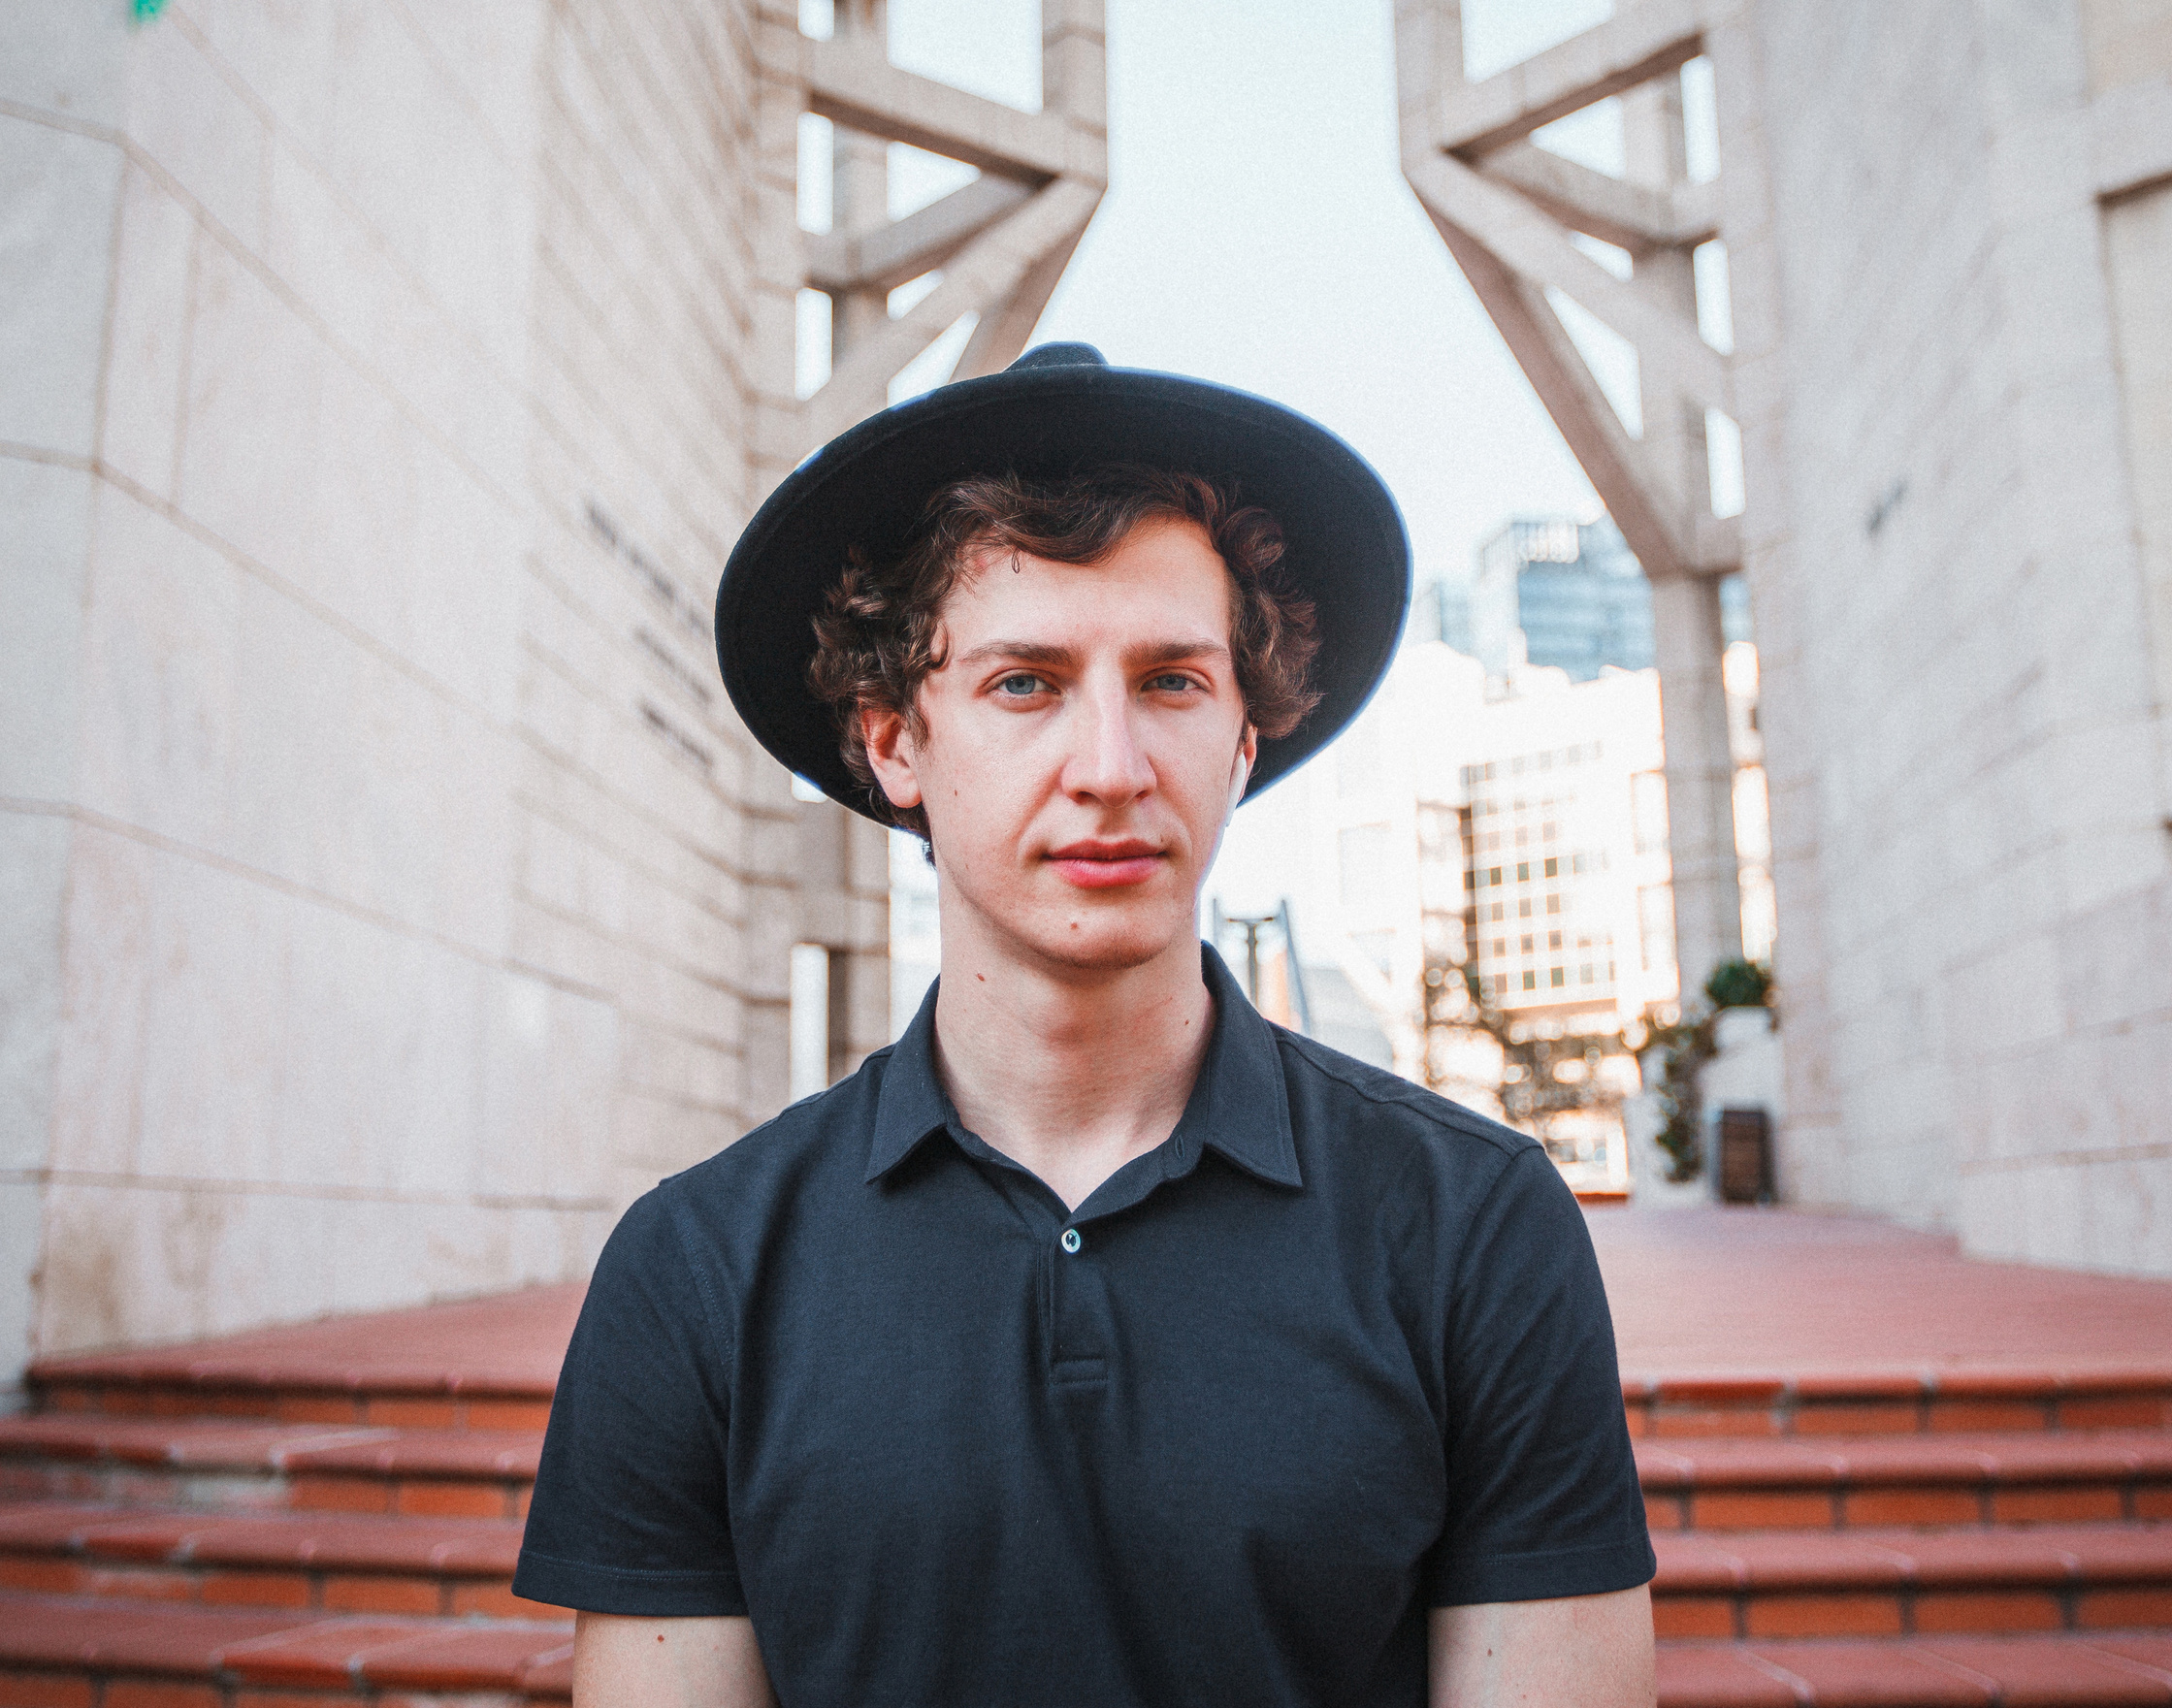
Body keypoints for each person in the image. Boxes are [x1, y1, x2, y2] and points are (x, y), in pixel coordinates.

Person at [512, 344, 1657, 1707]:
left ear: (1243, 741)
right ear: (893, 741)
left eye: (1172, 681)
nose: (1111, 769)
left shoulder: (1478, 1225)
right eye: (1025, 682)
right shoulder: (696, 1268)